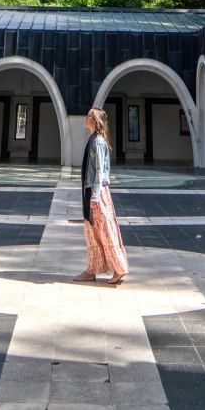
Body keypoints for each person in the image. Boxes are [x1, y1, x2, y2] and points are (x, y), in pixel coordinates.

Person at [74, 106, 129, 285]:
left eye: (89, 115)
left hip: (97, 192)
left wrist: (95, 196)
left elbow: (99, 170)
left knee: (105, 231)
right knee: (92, 232)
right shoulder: (94, 139)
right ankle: (92, 269)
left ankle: (119, 268)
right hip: (92, 190)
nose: (86, 116)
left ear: (95, 120)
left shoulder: (97, 142)